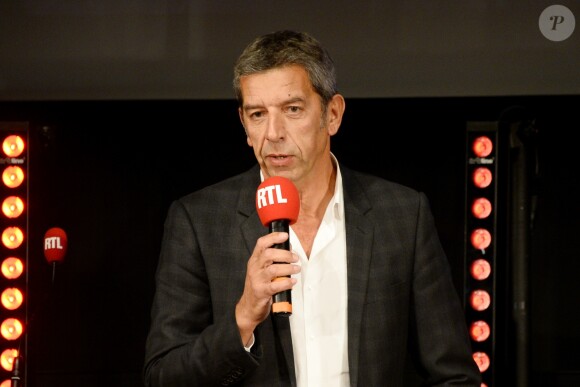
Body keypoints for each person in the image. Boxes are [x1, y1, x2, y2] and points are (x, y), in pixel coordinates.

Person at [143, 30, 482, 387]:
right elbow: (163, 376)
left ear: (332, 114)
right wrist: (242, 318)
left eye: (292, 109)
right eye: (258, 114)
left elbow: (454, 376)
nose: (273, 132)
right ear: (244, 124)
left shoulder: (401, 214)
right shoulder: (198, 221)